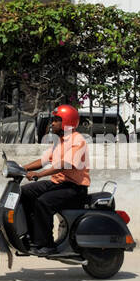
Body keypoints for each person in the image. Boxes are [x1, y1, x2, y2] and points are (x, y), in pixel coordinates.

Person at [18, 104, 90, 255]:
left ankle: (47, 245)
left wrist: (40, 174)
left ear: (67, 122)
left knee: (43, 202)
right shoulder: (61, 141)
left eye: (57, 120)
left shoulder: (78, 141)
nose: (52, 123)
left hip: (75, 188)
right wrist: (22, 168)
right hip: (58, 183)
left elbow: (65, 165)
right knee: (25, 192)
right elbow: (44, 160)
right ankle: (32, 237)